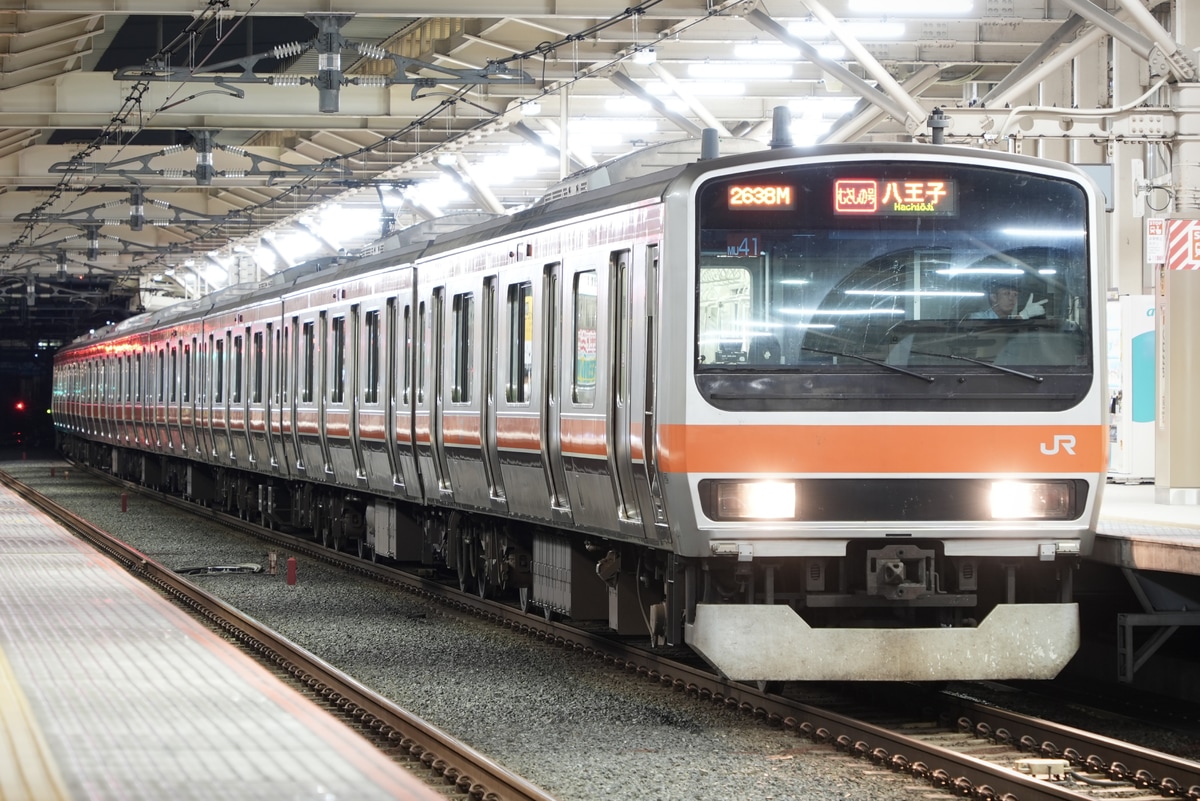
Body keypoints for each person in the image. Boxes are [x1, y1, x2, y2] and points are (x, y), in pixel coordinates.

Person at [968, 277, 1047, 319]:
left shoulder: (1011, 320)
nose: (1011, 298)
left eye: (1015, 294)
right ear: (994, 297)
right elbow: (999, 335)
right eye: (1006, 293)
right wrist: (1022, 316)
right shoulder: (977, 318)